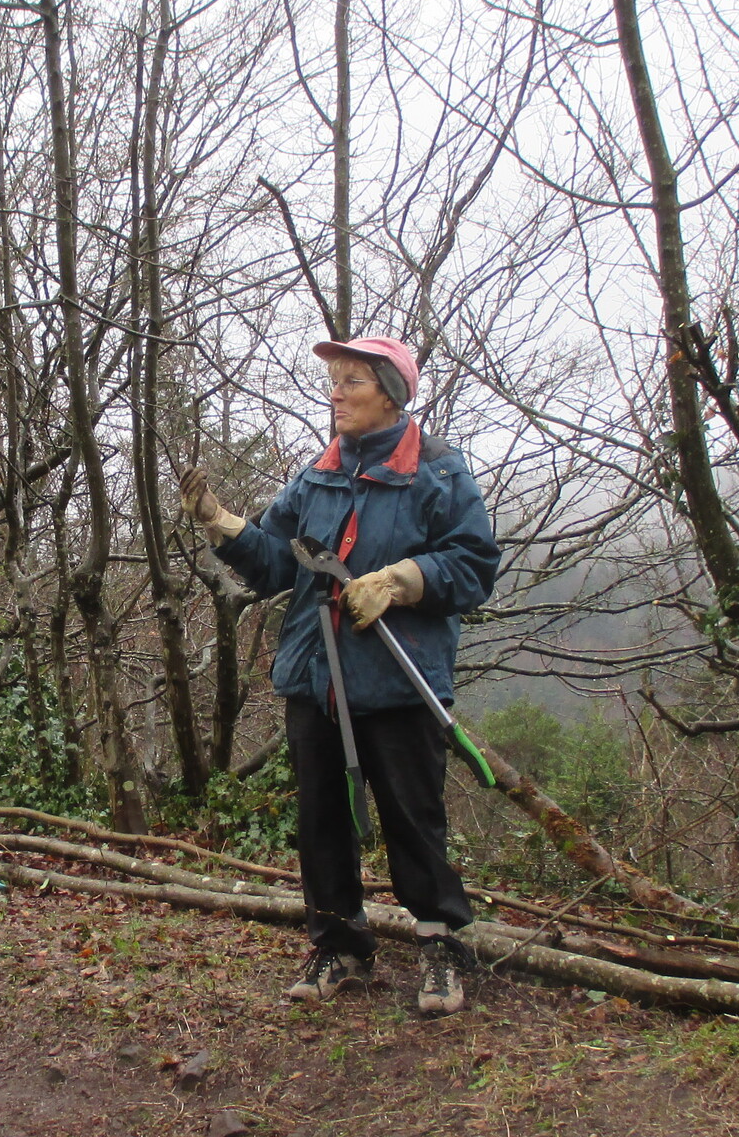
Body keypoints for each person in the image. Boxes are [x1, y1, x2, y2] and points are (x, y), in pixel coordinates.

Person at [181, 336, 500, 1015]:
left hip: (398, 680)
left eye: (352, 380)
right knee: (321, 818)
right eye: (334, 380)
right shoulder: (318, 474)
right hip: (315, 675)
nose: (336, 393)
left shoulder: (437, 472)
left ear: (391, 392)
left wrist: (402, 580)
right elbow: (276, 564)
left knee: (413, 818)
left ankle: (441, 944)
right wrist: (223, 525)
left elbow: (475, 566)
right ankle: (339, 946)